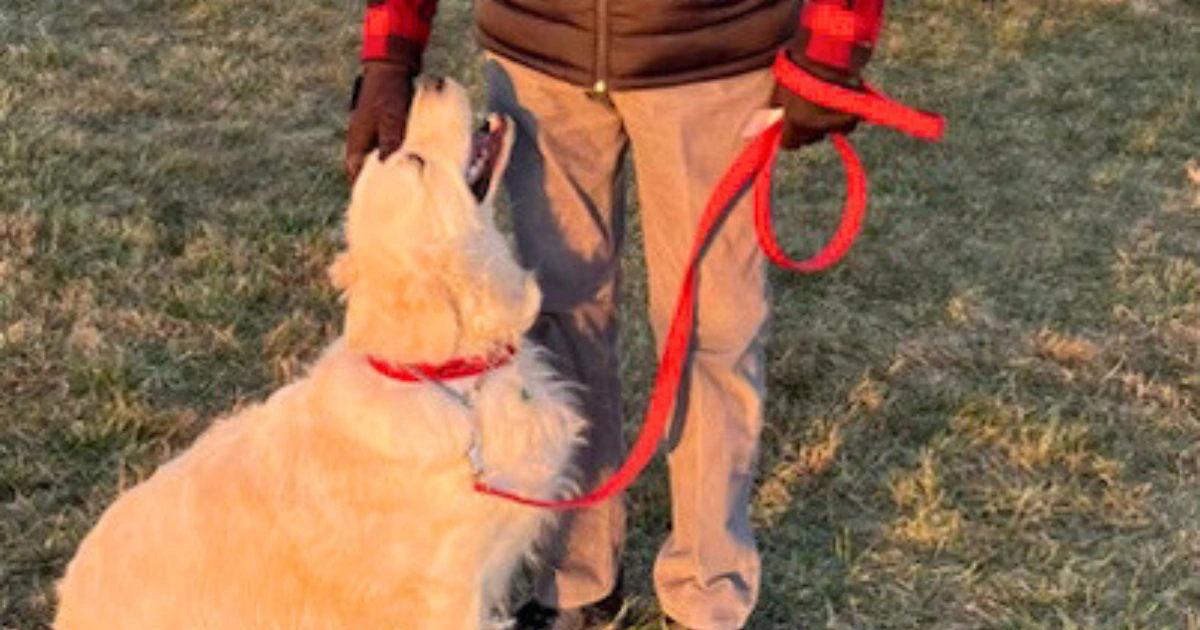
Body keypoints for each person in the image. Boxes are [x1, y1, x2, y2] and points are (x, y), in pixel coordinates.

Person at [345, 2, 885, 629]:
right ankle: (574, 574)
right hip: (540, 58)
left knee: (712, 327)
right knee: (556, 317)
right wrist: (390, 48)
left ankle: (708, 591)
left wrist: (837, 41)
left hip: (709, 52)